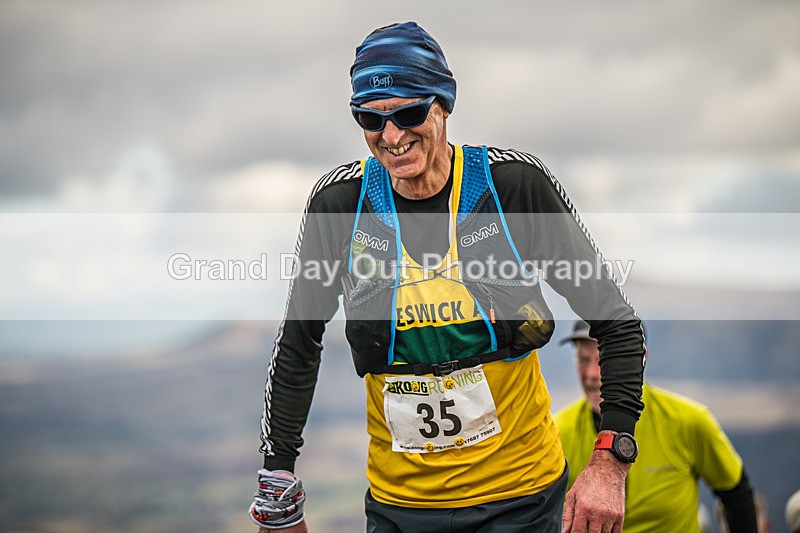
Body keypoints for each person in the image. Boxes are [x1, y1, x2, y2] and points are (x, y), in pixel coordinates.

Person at [250, 22, 646, 532]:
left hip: (520, 499)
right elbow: (299, 344)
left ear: (443, 105)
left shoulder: (511, 187)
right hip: (400, 506)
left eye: (409, 113)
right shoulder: (340, 206)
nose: (391, 136)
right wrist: (277, 482)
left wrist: (610, 463)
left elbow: (616, 322)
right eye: (370, 118)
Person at [555, 320, 759, 533]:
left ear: (639, 360)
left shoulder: (689, 421)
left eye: (603, 360)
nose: (591, 374)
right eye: (583, 359)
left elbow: (737, 495)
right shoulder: (557, 432)